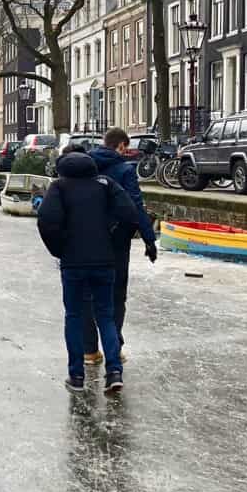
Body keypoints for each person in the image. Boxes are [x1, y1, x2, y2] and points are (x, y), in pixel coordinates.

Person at [37, 149, 138, 394]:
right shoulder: (105, 184)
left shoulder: (59, 188)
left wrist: (60, 249)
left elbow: (46, 221)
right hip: (104, 261)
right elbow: (129, 214)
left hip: (73, 263)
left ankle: (76, 376)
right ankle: (114, 371)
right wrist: (113, 242)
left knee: (74, 315)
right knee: (106, 315)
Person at [81, 128, 159, 365]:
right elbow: (135, 206)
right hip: (116, 242)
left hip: (85, 240)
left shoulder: (85, 167)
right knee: (115, 295)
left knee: (87, 296)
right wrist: (149, 238)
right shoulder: (125, 170)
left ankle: (90, 351)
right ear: (122, 146)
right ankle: (115, 348)